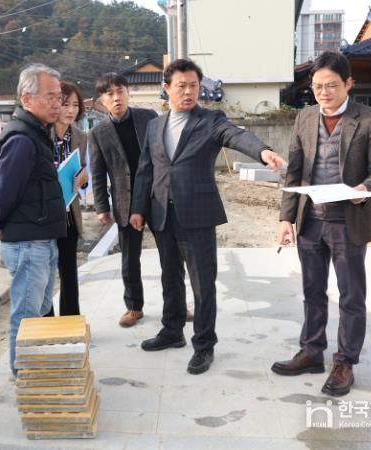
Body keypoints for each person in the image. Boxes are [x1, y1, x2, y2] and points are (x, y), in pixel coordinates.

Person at [129, 59, 285, 375]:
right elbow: (146, 168)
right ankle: (172, 331)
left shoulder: (211, 120)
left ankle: (203, 345)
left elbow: (236, 135)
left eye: (194, 86)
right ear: (167, 88)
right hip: (162, 214)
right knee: (170, 277)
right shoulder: (155, 126)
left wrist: (262, 151)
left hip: (197, 214)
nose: (188, 92)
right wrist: (138, 208)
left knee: (203, 283)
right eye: (181, 86)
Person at [271, 51, 371, 396]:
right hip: (310, 219)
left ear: (348, 83)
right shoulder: (305, 118)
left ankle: (345, 362)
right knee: (312, 291)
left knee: (351, 295)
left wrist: (364, 189)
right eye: (318, 86)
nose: (324, 92)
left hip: (348, 220)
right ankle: (311, 351)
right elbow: (295, 170)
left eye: (332, 85)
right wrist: (286, 217)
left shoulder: (369, 119)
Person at [0, 63, 67, 376]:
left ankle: (33, 369)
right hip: (28, 241)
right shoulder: (22, 138)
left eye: (59, 97)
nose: (57, 103)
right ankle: (24, 374)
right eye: (50, 96)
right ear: (27, 99)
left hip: (39, 236)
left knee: (39, 308)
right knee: (26, 313)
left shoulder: (36, 133)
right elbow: (7, 189)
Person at [89, 73, 159, 327]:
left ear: (128, 93)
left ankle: (177, 304)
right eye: (110, 94)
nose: (116, 97)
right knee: (129, 259)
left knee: (170, 254)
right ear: (101, 100)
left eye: (120, 91)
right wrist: (101, 207)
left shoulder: (148, 117)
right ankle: (134, 307)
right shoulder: (98, 132)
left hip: (156, 195)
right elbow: (97, 172)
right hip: (124, 201)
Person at [50, 81, 89, 316]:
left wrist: (84, 177)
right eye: (65, 104)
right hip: (45, 217)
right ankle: (46, 325)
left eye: (75, 105)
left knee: (69, 273)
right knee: (45, 276)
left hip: (69, 216)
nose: (71, 110)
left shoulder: (81, 137)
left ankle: (70, 320)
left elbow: (81, 171)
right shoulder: (41, 134)